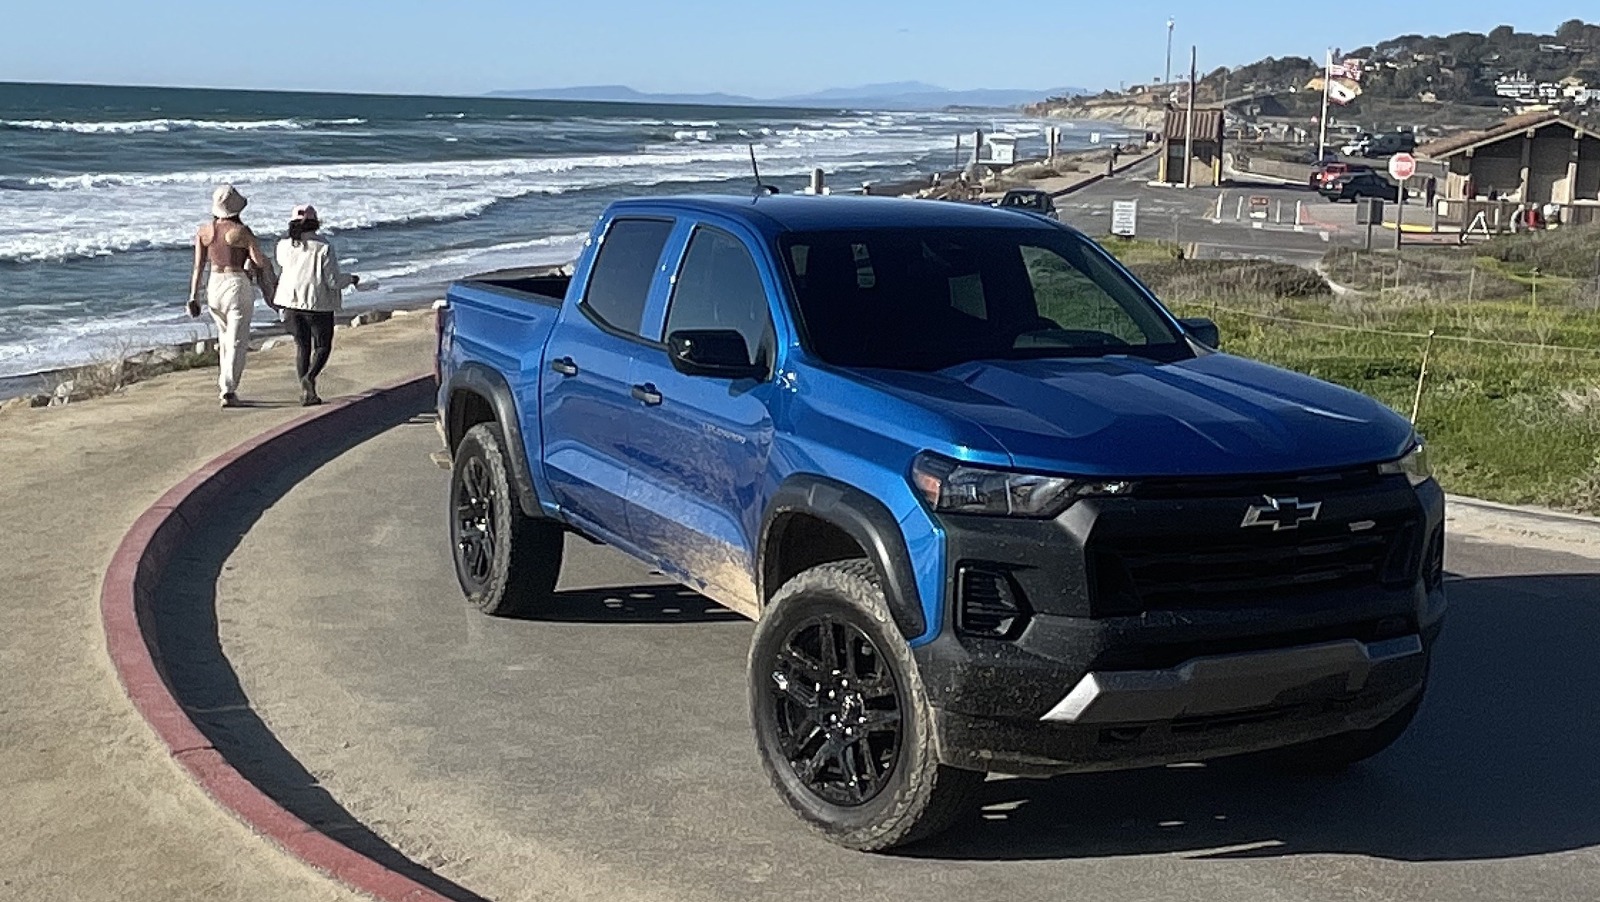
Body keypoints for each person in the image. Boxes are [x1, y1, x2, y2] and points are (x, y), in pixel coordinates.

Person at [188, 184, 274, 408]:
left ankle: (225, 385)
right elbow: (259, 261)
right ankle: (228, 389)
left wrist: (193, 296)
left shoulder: (204, 231)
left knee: (224, 338)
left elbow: (198, 267)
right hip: (236, 283)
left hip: (214, 285)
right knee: (237, 340)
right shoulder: (241, 232)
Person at [271, 205, 359, 405]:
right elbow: (333, 281)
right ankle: (310, 378)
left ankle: (307, 392)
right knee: (322, 346)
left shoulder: (283, 245)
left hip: (289, 302)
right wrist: (352, 279)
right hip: (317, 303)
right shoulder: (324, 247)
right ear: (316, 222)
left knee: (302, 346)